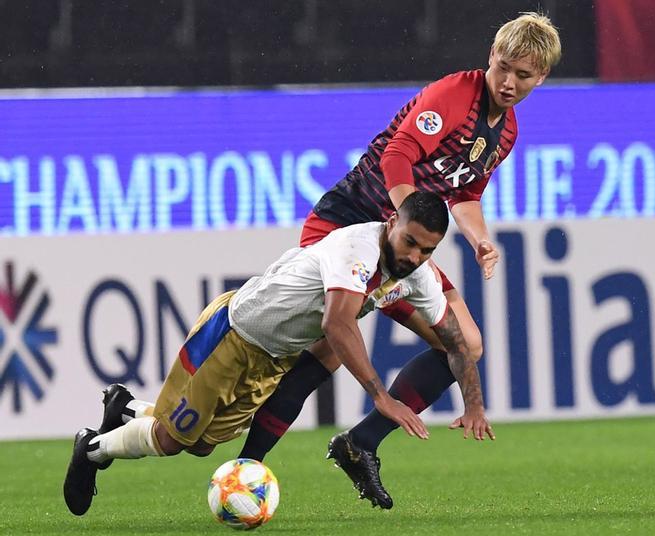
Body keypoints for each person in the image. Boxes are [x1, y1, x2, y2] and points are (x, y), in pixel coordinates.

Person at [230, 11, 561, 508]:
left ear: (542, 77)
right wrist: (410, 223)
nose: (509, 82)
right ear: (490, 58)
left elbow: (466, 194)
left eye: (523, 75)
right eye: (503, 68)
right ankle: (245, 467)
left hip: (401, 242)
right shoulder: (454, 95)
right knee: (327, 347)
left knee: (464, 346)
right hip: (350, 224)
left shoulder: (506, 130)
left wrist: (479, 239)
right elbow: (396, 156)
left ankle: (359, 443)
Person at [63, 192, 493, 516]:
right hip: (234, 335)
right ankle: (93, 449)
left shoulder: (416, 275)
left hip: (272, 356)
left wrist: (473, 405)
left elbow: (456, 343)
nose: (413, 256)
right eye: (410, 242)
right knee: (174, 440)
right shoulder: (356, 250)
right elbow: (337, 324)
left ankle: (126, 406)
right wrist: (381, 396)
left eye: (426, 251)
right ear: (391, 220)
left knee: (200, 446)